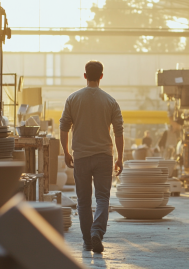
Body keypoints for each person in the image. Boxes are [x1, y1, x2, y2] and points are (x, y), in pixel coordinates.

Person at [60, 61, 124, 253]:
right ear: (101, 76)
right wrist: (120, 158)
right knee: (103, 198)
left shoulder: (73, 99)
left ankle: (88, 241)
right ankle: (97, 232)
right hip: (104, 156)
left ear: (85, 75)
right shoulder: (111, 101)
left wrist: (66, 152)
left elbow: (63, 127)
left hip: (81, 157)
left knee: (83, 201)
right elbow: (119, 132)